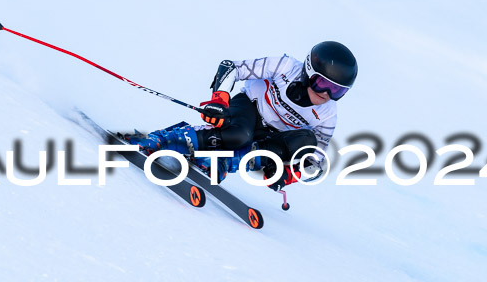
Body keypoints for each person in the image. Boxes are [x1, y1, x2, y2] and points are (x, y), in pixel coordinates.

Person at [129, 41, 358, 190]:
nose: (327, 94)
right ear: (309, 72)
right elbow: (232, 68)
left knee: (305, 141)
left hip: (270, 137)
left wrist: (290, 174)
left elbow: (316, 159)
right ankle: (167, 139)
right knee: (239, 135)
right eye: (322, 84)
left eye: (338, 91)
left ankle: (221, 162)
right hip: (249, 107)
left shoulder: (327, 115)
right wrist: (219, 100)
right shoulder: (285, 66)